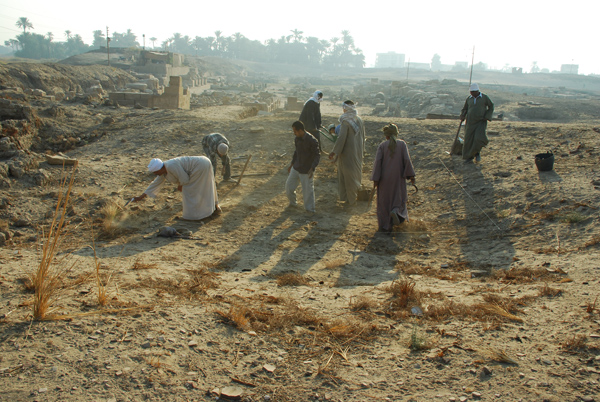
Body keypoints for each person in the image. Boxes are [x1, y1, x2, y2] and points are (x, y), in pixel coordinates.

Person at [132, 156, 220, 220]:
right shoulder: (163, 170)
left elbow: (184, 179)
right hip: (203, 163)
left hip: (200, 166)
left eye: (155, 172)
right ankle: (214, 207)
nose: (155, 174)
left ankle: (194, 216)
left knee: (190, 190)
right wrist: (140, 197)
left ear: (159, 169)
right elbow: (155, 184)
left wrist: (180, 185)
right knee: (206, 186)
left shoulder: (171, 166)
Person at [370, 124, 416, 233]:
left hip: (384, 179)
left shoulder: (382, 146)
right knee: (399, 199)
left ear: (386, 136)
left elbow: (377, 163)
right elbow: (406, 160)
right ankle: (396, 212)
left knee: (384, 202)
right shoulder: (402, 144)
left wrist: (376, 179)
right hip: (398, 177)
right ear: (396, 133)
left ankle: (386, 226)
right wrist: (411, 176)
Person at [328, 100, 366, 207]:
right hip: (358, 152)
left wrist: (334, 152)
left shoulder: (346, 121)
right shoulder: (359, 120)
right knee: (355, 175)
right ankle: (351, 198)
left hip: (347, 154)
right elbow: (363, 137)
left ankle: (350, 201)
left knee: (347, 177)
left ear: (345, 108)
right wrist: (362, 150)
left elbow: (341, 139)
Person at [286, 120, 320, 213]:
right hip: (296, 167)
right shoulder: (297, 139)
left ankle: (310, 210)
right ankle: (293, 204)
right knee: (289, 187)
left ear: (300, 130)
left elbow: (317, 156)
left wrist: (312, 168)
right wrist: (292, 164)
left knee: (308, 192)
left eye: (295, 131)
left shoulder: (312, 140)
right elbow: (296, 152)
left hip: (306, 170)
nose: (294, 133)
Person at [460, 83, 494, 163]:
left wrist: (487, 116)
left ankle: (477, 153)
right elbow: (465, 109)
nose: (472, 93)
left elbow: (491, 106)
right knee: (468, 140)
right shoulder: (469, 99)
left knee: (479, 138)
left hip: (480, 122)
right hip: (470, 122)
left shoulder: (484, 98)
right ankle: (469, 156)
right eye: (471, 92)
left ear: (477, 91)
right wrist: (462, 115)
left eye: (473, 92)